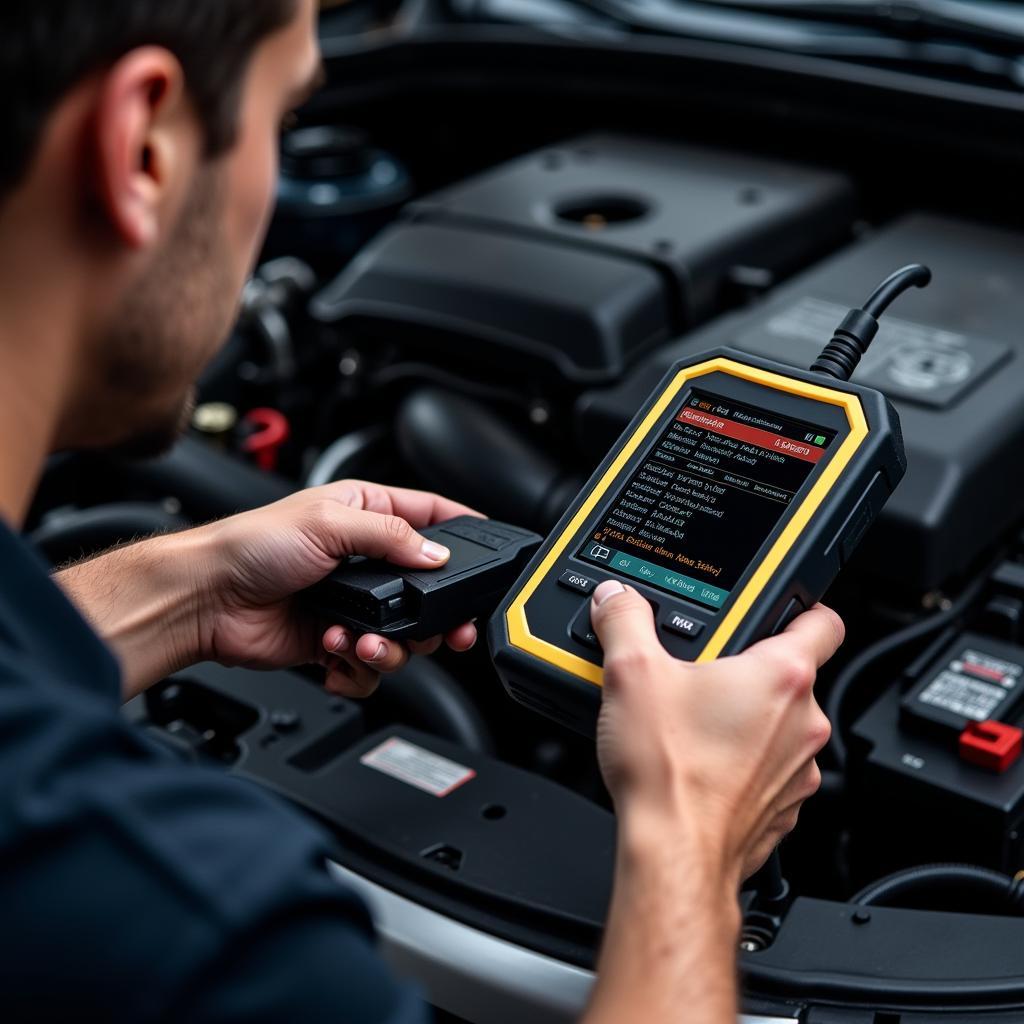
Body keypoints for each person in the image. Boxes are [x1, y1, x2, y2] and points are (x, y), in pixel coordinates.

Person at [0, 1, 841, 1020]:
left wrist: (185, 592)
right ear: (143, 148)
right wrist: (695, 834)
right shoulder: (192, 931)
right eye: (287, 120)